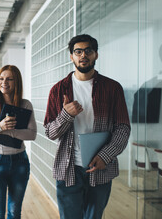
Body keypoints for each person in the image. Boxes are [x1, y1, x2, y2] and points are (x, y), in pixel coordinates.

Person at [43, 34, 130, 219]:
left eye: (88, 51)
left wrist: (105, 156)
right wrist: (66, 115)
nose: (83, 55)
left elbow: (122, 128)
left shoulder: (112, 88)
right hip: (68, 168)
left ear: (96, 55)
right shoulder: (58, 90)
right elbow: (50, 132)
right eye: (78, 51)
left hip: (101, 167)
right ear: (71, 56)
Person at [0, 65, 37, 219]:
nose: (4, 82)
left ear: (16, 82)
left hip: (20, 162)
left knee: (14, 212)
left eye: (9, 79)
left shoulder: (25, 105)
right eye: (1, 78)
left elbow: (32, 134)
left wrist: (9, 131)